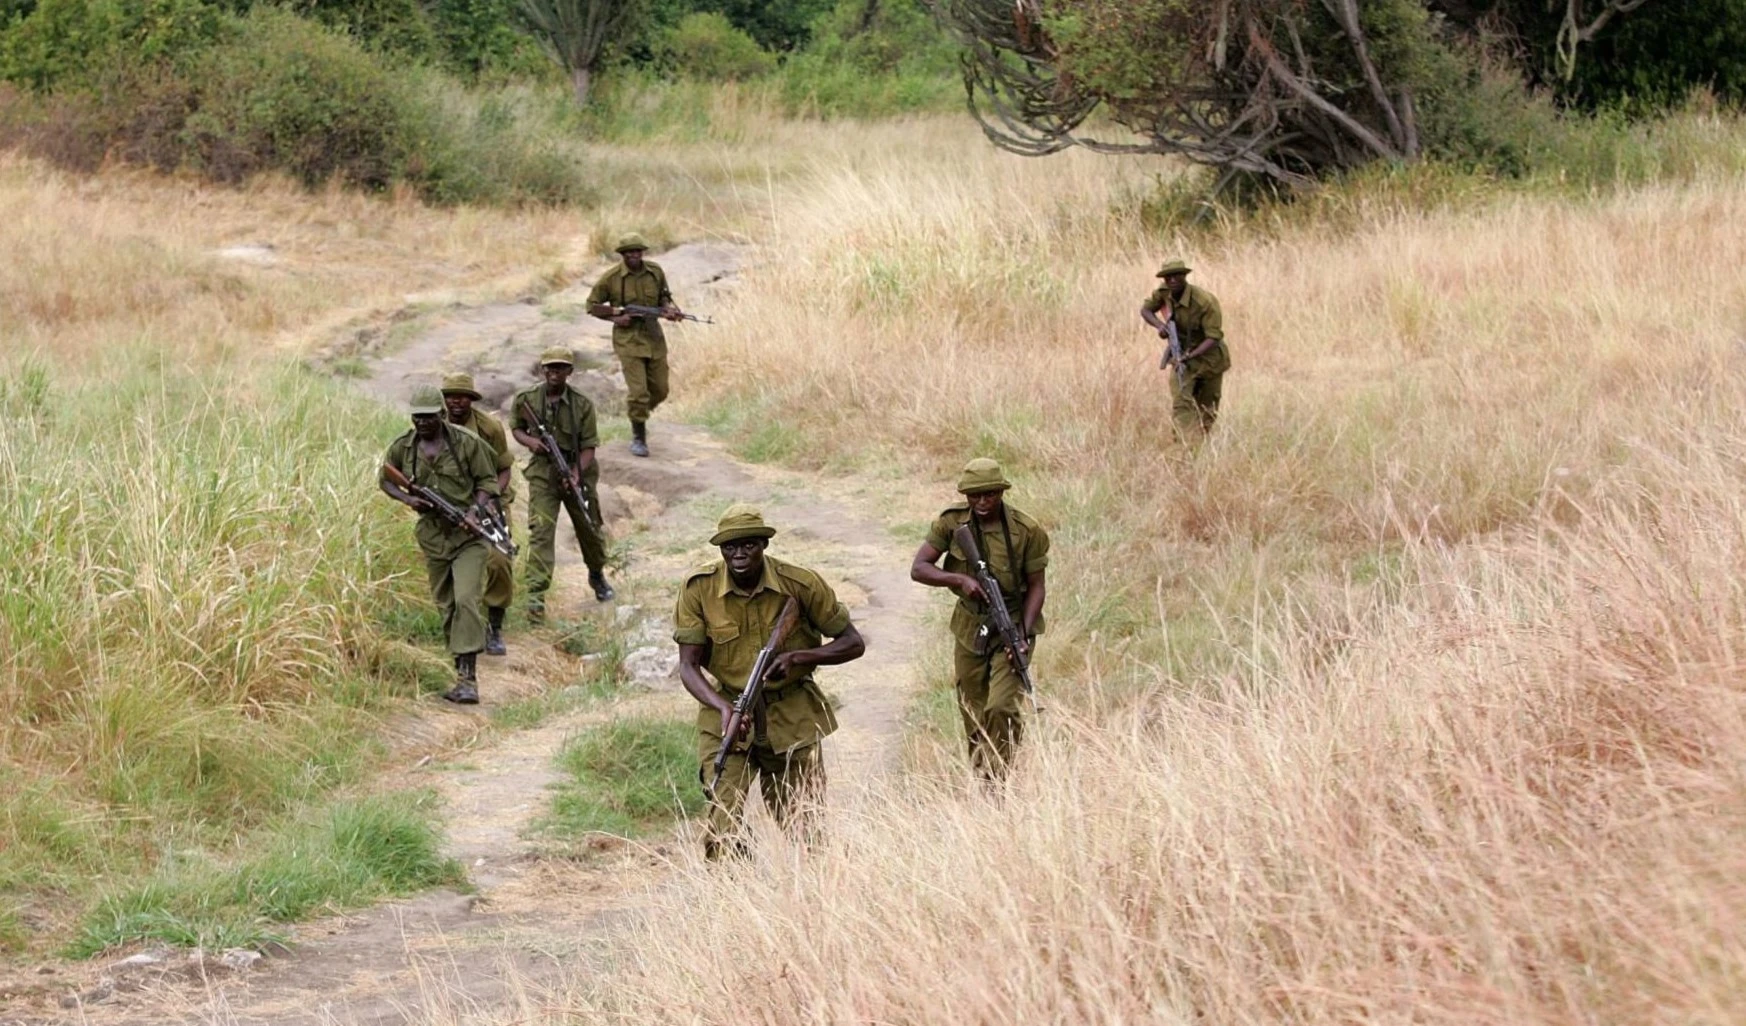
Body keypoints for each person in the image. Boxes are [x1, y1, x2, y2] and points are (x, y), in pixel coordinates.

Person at [674, 504, 866, 860]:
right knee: (722, 824)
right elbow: (688, 666)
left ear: (764, 544)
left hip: (792, 715)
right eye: (730, 547)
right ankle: (737, 900)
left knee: (806, 828)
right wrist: (723, 708)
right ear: (720, 550)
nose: (739, 553)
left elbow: (853, 643)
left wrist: (799, 657)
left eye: (748, 544)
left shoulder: (800, 583)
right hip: (729, 715)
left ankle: (815, 901)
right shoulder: (698, 589)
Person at [910, 458, 1049, 780]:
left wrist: (1023, 636)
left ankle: (1000, 777)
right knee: (972, 708)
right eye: (975, 496)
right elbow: (920, 568)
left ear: (1001, 492)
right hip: (970, 626)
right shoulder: (951, 523)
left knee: (1000, 706)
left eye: (990, 495)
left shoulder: (1027, 530)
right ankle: (981, 774)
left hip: (1013, 620)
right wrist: (959, 581)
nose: (983, 502)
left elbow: (1038, 586)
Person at [379, 386, 502, 704]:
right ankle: (458, 667)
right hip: (433, 538)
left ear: (441, 415)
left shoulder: (466, 443)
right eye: (417, 417)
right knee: (446, 605)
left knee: (466, 600)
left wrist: (475, 511)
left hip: (468, 538)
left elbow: (489, 482)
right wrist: (410, 500)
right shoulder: (403, 448)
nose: (422, 423)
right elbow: (385, 479)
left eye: (429, 417)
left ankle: (469, 678)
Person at [510, 346, 615, 623]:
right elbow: (517, 427)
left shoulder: (582, 404)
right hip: (544, 474)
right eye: (549, 367)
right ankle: (535, 596)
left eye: (560, 368)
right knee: (541, 532)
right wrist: (532, 442)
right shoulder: (527, 399)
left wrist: (575, 476)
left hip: (577, 469)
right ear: (543, 370)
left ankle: (596, 574)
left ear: (570, 371)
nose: (554, 372)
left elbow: (590, 446)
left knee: (589, 528)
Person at [586, 233, 685, 458]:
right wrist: (615, 317)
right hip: (628, 340)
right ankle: (639, 437)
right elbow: (591, 305)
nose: (634, 255)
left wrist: (669, 310)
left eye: (638, 251)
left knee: (660, 390)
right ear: (622, 255)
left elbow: (664, 298)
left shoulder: (655, 272)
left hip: (654, 337)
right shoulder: (611, 278)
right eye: (630, 252)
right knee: (639, 392)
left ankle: (637, 414)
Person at [441, 372, 514, 656]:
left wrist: (490, 500)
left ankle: (494, 625)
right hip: (452, 503)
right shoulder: (434, 425)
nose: (455, 402)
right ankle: (455, 625)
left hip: (489, 502)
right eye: (450, 396)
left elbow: (504, 468)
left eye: (461, 397)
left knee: (499, 560)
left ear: (471, 400)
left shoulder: (489, 428)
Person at [1141, 259, 1231, 442]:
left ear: (1185, 276)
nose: (1172, 280)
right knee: (1181, 403)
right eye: (1168, 277)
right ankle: (1184, 445)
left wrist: (1190, 356)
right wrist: (1160, 326)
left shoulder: (1205, 301)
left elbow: (1214, 337)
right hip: (1181, 357)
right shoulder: (1163, 293)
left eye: (1177, 275)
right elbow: (1145, 310)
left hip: (1209, 359)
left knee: (1208, 409)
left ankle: (1200, 445)